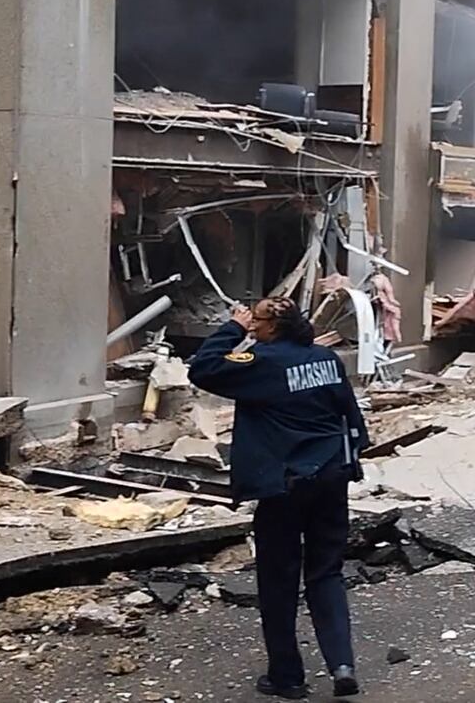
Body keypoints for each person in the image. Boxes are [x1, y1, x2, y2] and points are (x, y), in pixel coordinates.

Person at [188, 296, 369, 700]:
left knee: (278, 580)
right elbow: (351, 417)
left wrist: (233, 328)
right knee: (326, 572)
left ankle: (287, 678)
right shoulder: (326, 359)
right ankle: (342, 665)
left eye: (258, 318)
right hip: (330, 478)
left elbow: (203, 367)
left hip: (284, 485)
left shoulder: (261, 363)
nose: (253, 323)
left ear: (274, 326)